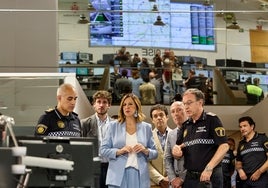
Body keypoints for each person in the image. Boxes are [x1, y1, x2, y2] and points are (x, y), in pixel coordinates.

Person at [172, 88, 229, 188]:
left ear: (200, 102)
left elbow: (224, 146)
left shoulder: (212, 120)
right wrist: (176, 152)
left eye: (189, 103)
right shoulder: (185, 125)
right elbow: (178, 150)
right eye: (184, 104)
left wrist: (209, 167)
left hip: (209, 176)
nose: (186, 107)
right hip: (190, 178)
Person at [100, 93, 158, 188]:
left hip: (140, 176)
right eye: (124, 104)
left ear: (136, 107)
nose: (127, 107)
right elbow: (102, 150)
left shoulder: (146, 127)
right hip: (117, 177)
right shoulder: (112, 126)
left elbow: (155, 153)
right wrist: (119, 151)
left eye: (130, 104)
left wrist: (145, 150)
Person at [81, 90, 113, 188]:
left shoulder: (115, 124)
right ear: (94, 104)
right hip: (93, 166)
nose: (101, 105)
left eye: (105, 102)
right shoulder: (85, 123)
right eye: (98, 102)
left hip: (111, 166)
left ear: (109, 105)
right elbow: (82, 148)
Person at [235, 116, 268, 188]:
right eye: (240, 127)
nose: (242, 129)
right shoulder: (241, 143)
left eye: (245, 126)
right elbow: (238, 162)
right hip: (244, 180)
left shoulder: (262, 138)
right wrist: (240, 170)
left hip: (260, 179)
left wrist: (259, 172)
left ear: (252, 126)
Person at [165, 101, 188, 188]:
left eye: (179, 110)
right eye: (173, 111)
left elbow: (196, 158)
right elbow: (167, 158)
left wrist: (181, 179)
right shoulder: (171, 134)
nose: (176, 114)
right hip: (174, 184)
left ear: (186, 111)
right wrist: (173, 179)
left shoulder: (194, 131)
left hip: (191, 180)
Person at [149, 104, 172, 188]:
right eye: (155, 116)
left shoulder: (176, 135)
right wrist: (160, 179)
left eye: (161, 115)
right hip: (154, 183)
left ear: (167, 117)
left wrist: (171, 177)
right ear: (152, 120)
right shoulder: (147, 137)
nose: (159, 118)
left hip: (173, 182)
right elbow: (144, 162)